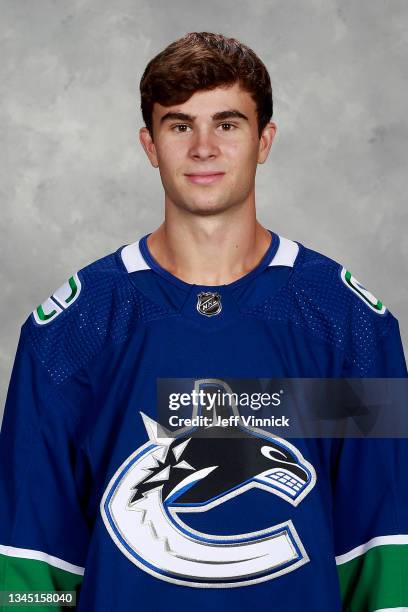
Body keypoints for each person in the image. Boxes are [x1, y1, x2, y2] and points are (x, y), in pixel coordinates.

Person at [1, 31, 407, 612]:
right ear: (150, 144)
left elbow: (384, 554)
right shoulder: (72, 330)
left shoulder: (350, 326)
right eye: (179, 125)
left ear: (264, 140)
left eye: (227, 123)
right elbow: (29, 568)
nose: (203, 148)